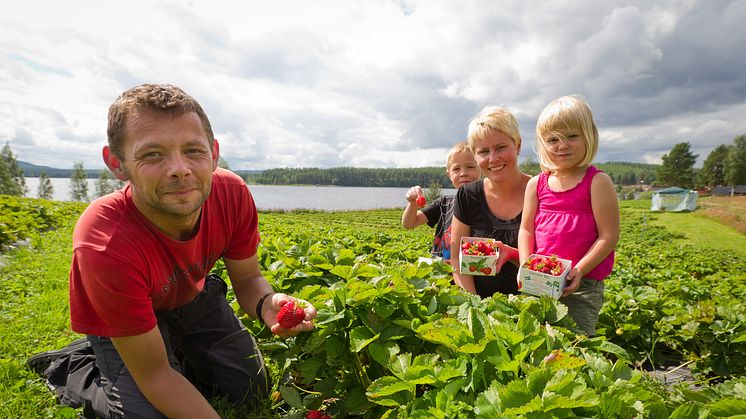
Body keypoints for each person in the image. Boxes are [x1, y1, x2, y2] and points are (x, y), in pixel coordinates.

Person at [27, 83, 317, 418]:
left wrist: (267, 303)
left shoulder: (232, 193)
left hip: (191, 297)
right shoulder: (104, 239)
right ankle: (78, 364)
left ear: (214, 152)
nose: (180, 168)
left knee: (248, 388)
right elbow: (154, 375)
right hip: (127, 318)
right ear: (118, 164)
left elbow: (249, 278)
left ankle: (170, 345)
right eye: (153, 154)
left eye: (194, 150)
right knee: (149, 412)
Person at [517, 95, 619, 336]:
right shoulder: (536, 184)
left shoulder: (597, 182)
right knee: (537, 337)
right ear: (543, 144)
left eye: (572, 136)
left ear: (589, 136)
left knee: (577, 341)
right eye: (553, 140)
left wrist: (580, 270)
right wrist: (525, 263)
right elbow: (526, 229)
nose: (562, 145)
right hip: (540, 278)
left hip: (581, 283)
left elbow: (609, 235)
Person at [450, 106, 531, 298]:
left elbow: (550, 266)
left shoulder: (542, 192)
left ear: (518, 145)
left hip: (531, 309)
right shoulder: (468, 196)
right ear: (475, 155)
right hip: (478, 306)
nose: (493, 159)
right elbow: (457, 260)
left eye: (501, 147)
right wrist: (474, 306)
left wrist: (511, 254)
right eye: (484, 151)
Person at [401, 141, 480, 260]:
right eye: (456, 169)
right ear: (449, 175)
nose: (463, 173)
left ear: (482, 169)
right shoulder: (444, 203)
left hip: (472, 270)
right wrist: (413, 203)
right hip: (441, 272)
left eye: (470, 167)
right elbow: (409, 223)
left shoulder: (488, 203)